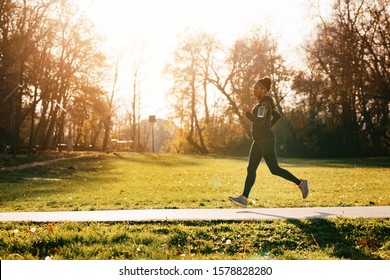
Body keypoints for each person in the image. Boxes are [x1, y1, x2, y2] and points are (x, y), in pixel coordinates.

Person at [228, 76, 309, 208]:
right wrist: (268, 125)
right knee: (251, 168)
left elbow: (259, 122)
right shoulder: (264, 103)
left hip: (265, 140)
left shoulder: (264, 104)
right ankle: (244, 198)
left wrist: (247, 113)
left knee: (274, 169)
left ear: (263, 90)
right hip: (259, 139)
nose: (253, 90)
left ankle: (301, 183)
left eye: (256, 88)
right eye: (253, 87)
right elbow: (276, 116)